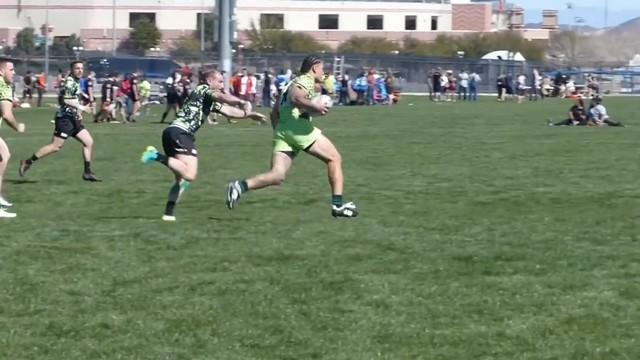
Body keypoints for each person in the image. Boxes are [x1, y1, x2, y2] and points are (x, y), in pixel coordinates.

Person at [225, 55, 359, 218]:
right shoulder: (305, 80)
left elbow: (274, 112)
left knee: (277, 175)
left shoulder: (290, 83)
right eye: (322, 69)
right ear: (314, 68)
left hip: (283, 130)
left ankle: (239, 186)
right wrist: (314, 105)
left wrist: (281, 132)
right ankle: (337, 206)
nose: (322, 72)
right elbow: (297, 98)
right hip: (298, 129)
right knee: (334, 158)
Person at [140, 70, 267, 221]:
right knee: (190, 174)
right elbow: (222, 97)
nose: (221, 85)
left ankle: (168, 213)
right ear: (209, 80)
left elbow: (229, 112)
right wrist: (241, 101)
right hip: (181, 133)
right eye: (219, 81)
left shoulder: (208, 99)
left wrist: (250, 115)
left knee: (182, 180)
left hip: (173, 133)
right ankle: (155, 155)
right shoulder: (202, 89)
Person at [18, 61, 100, 182]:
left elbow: (73, 99)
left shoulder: (77, 82)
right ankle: (27, 162)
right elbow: (67, 100)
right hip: (65, 120)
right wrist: (83, 108)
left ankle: (87, 173)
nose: (80, 70)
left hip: (73, 119)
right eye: (77, 68)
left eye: (81, 68)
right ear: (72, 70)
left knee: (88, 142)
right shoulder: (70, 81)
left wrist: (80, 110)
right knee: (56, 147)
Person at [0, 61, 26, 218]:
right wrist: (17, 127)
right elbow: (7, 115)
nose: (14, 72)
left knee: (4, 155)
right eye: (11, 69)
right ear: (1, 71)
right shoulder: (3, 86)